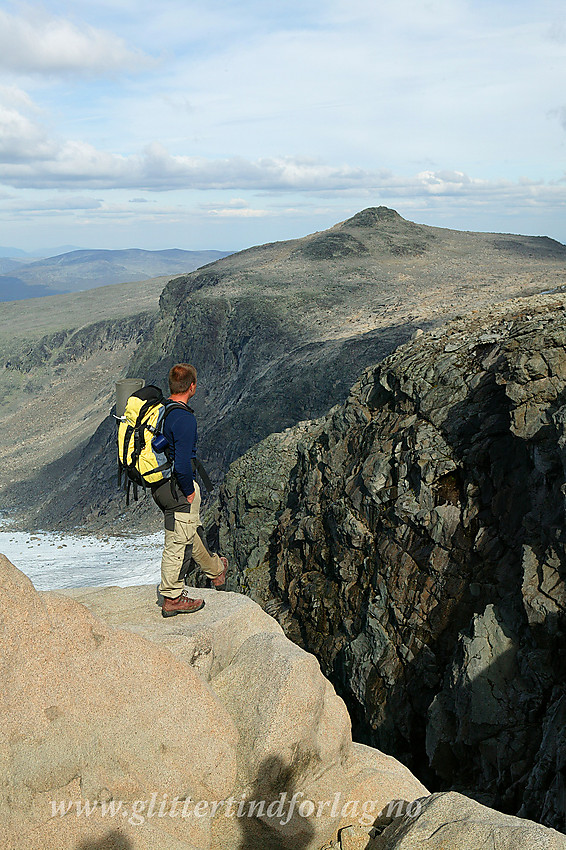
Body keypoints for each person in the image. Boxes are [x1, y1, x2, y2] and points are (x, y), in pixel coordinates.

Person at [152, 363, 228, 617]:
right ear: (192, 387)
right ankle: (172, 597)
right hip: (176, 487)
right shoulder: (184, 419)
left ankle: (216, 571)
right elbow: (183, 463)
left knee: (188, 532)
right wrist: (188, 490)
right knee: (177, 542)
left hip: (159, 484)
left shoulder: (162, 411)